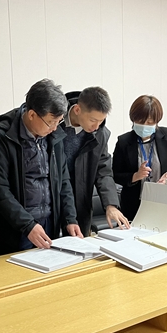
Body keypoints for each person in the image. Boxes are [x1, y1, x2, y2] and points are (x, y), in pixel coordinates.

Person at [0, 78, 83, 256]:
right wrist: (28, 225)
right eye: (51, 122)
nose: (55, 128)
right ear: (31, 115)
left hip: (48, 225)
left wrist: (70, 219)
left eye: (59, 121)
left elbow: (63, 181)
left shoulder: (54, 136)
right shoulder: (1, 136)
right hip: (14, 229)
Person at [61, 87, 129, 236]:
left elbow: (103, 171)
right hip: (53, 201)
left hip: (80, 203)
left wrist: (111, 205)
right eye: (93, 120)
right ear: (77, 110)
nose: (96, 126)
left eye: (101, 121)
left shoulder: (100, 133)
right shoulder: (54, 122)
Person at [112, 95, 167, 221]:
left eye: (149, 122)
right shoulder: (123, 142)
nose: (144, 125)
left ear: (157, 121)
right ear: (133, 119)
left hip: (165, 202)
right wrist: (136, 176)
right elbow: (115, 175)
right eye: (140, 121)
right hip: (134, 205)